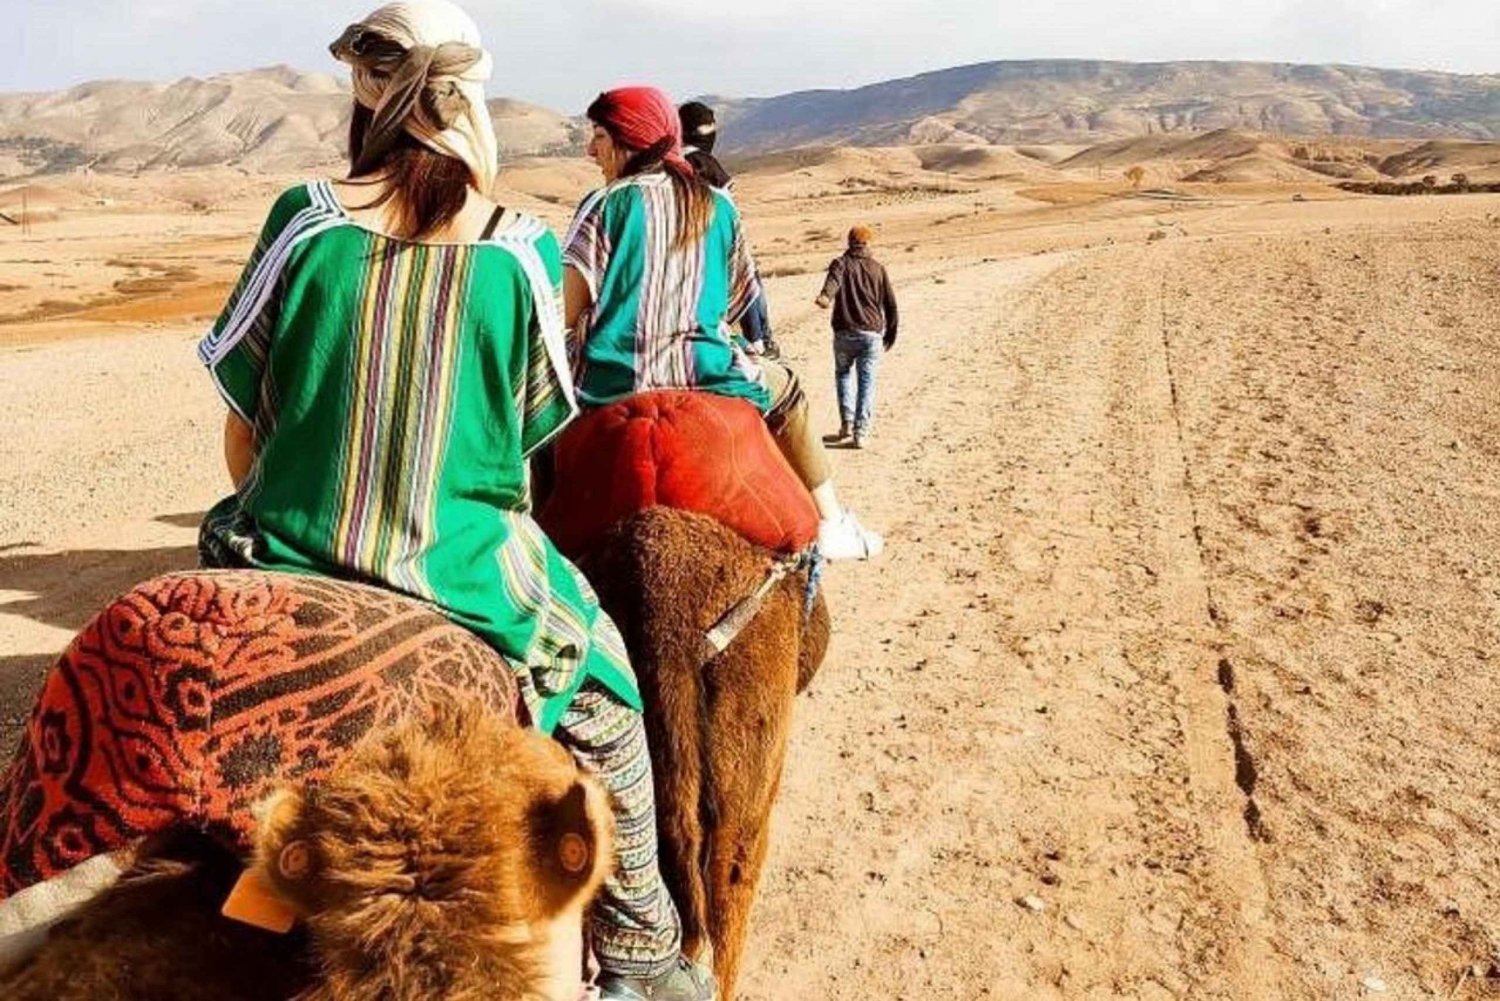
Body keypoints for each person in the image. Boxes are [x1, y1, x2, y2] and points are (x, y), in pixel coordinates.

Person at [193, 5, 713, 999]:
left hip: (281, 553)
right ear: (469, 98)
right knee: (608, 694)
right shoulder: (518, 249)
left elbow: (242, 427)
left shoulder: (302, 219)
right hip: (470, 574)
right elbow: (522, 442)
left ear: (368, 102)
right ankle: (647, 953)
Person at [564, 86, 882, 561]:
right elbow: (737, 299)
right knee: (789, 390)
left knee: (532, 441)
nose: (591, 150)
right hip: (708, 372)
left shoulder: (604, 203)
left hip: (608, 382)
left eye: (599, 136)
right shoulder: (719, 205)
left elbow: (563, 311)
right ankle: (831, 520)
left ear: (631, 140)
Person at [678, 100, 779, 359]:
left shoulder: (674, 164)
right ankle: (760, 341)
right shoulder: (704, 165)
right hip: (709, 249)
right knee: (749, 277)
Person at [816, 225, 898, 449]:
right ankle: (860, 432)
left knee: (843, 375)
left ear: (849, 242)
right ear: (868, 243)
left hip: (844, 332)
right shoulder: (878, 268)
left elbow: (831, 285)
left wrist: (825, 297)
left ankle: (846, 423)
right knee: (866, 382)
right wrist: (891, 333)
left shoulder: (840, 264)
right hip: (871, 334)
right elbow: (890, 304)